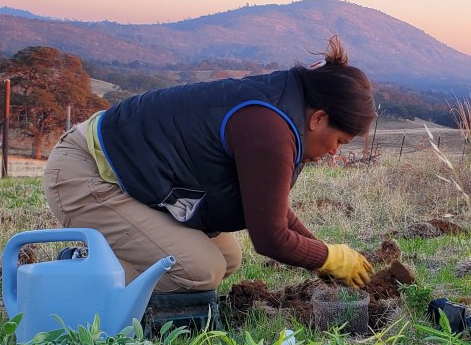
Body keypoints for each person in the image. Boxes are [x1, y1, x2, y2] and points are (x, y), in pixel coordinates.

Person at [43, 36, 375, 295]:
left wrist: (323, 255)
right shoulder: (270, 128)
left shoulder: (285, 112)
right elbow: (271, 238)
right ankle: (75, 274)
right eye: (340, 142)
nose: (334, 152)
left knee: (227, 259)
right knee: (198, 271)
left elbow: (266, 202)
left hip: (132, 176)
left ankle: (112, 265)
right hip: (87, 175)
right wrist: (328, 258)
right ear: (319, 118)